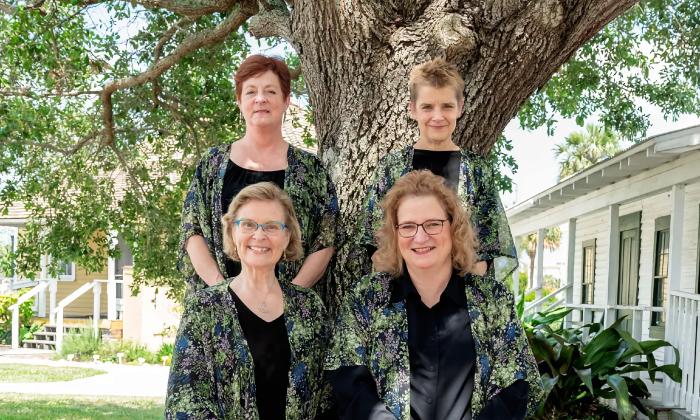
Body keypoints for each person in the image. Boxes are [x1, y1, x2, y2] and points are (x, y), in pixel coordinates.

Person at [326, 171, 542, 419]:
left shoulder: (492, 299)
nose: (420, 237)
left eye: (432, 224)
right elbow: (347, 376)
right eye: (407, 226)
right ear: (395, 234)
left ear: (453, 227)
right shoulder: (367, 297)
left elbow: (515, 385)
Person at [178, 54, 338, 299]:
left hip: (288, 311)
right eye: (251, 92)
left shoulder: (310, 169)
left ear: (286, 101)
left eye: (271, 92)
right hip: (221, 309)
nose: (260, 99)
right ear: (239, 101)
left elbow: (326, 238)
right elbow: (192, 231)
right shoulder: (212, 164)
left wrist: (290, 296)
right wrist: (223, 291)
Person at [167, 182, 330, 419]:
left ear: (287, 237)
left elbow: (327, 395)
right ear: (233, 233)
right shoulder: (203, 309)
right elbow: (184, 403)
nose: (259, 235)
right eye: (248, 225)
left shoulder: (309, 307)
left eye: (272, 227)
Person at [356, 58, 517, 284]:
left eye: (447, 106)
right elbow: (376, 244)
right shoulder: (391, 167)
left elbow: (486, 249)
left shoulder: (477, 170)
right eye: (427, 107)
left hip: (459, 304)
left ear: (460, 107)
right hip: (402, 300)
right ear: (413, 109)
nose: (438, 116)